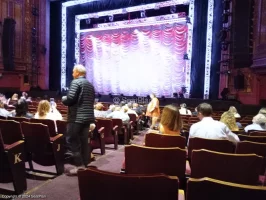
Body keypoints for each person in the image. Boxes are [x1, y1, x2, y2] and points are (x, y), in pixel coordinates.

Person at [62, 64, 95, 176]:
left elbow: (70, 98)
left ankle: (79, 165)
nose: (72, 74)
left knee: (71, 141)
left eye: (73, 72)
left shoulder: (76, 82)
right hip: (87, 118)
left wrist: (63, 99)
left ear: (77, 72)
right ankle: (85, 165)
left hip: (76, 118)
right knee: (83, 142)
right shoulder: (90, 85)